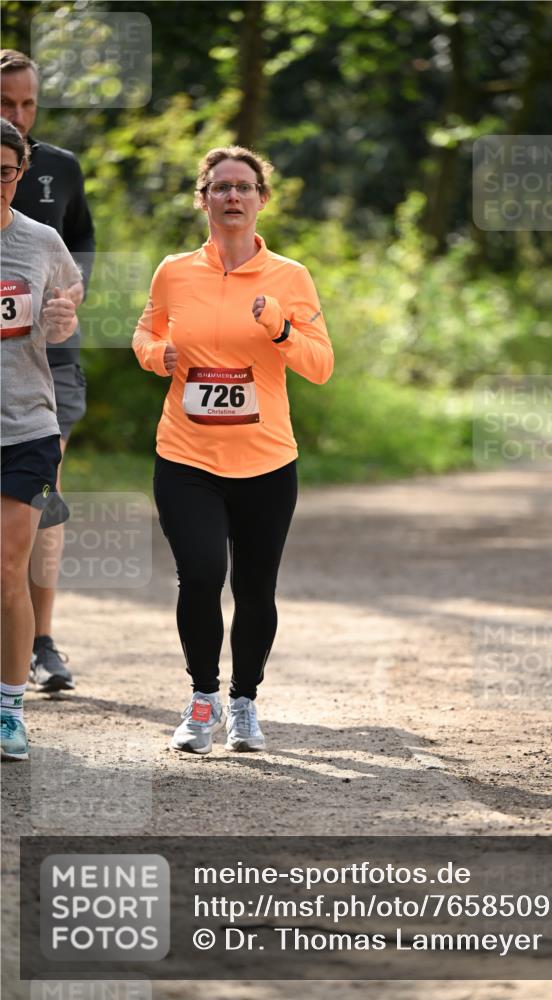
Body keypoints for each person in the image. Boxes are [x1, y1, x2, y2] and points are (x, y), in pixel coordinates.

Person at [133, 145, 333, 754]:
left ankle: (244, 702)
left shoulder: (290, 277)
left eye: (245, 187)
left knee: (254, 588)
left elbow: (320, 365)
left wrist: (280, 328)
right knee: (199, 576)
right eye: (220, 187)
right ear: (203, 199)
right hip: (186, 456)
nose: (233, 196)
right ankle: (203, 700)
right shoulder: (174, 272)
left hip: (266, 462)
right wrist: (155, 354)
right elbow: (146, 331)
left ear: (262, 199)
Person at [0, 49, 95, 694]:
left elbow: (82, 242)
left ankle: (41, 640)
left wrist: (72, 292)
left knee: (41, 494)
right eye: (7, 103)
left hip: (48, 360)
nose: (20, 113)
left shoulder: (60, 167)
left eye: (29, 103)